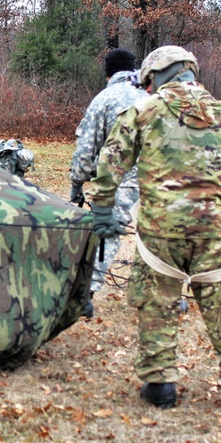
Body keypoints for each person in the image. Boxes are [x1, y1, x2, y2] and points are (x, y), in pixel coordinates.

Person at [89, 45, 221, 410]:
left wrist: (104, 209)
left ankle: (160, 388)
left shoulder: (143, 111)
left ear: (155, 77)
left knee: (157, 305)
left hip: (159, 233)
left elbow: (110, 163)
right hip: (211, 230)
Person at [69, 48, 147, 317]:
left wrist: (77, 183)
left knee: (107, 232)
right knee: (157, 235)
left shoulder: (104, 99)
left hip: (122, 175)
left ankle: (85, 295)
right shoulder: (153, 95)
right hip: (162, 175)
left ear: (108, 73)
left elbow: (86, 149)